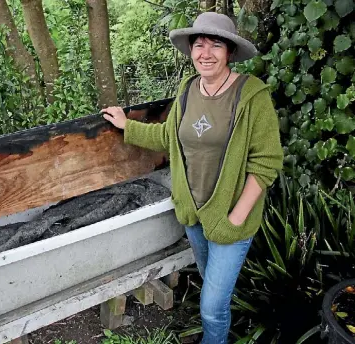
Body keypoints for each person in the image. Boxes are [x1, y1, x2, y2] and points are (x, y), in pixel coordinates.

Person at [102, 12, 283, 344]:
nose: (206, 52)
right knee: (211, 285)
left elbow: (267, 163)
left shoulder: (252, 96)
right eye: (199, 44)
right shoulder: (188, 89)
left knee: (212, 307)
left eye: (216, 44)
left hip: (231, 218)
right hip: (193, 214)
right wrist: (127, 125)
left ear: (229, 51)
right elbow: (169, 138)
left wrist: (235, 218)